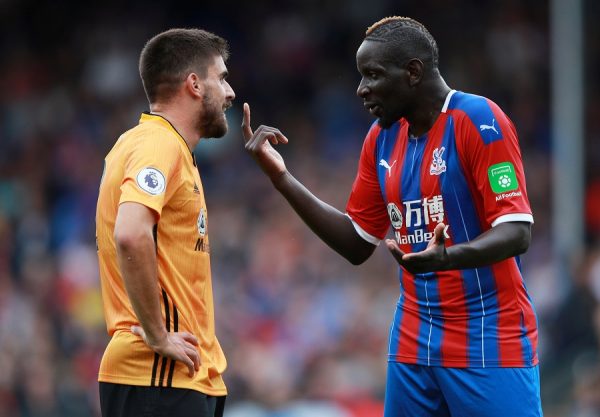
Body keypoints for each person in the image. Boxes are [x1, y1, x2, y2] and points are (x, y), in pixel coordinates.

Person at [243, 16, 543, 417]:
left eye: (373, 74)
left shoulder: (479, 119)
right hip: (413, 339)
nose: (361, 88)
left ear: (413, 72)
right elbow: (356, 242)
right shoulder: (381, 137)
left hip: (487, 337)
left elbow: (516, 231)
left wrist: (448, 258)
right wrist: (282, 178)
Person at [95, 28, 235, 417]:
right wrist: (158, 336)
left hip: (177, 376)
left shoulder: (164, 147)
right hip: (156, 374)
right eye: (222, 78)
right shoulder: (158, 143)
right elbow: (130, 233)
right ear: (194, 84)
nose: (230, 92)